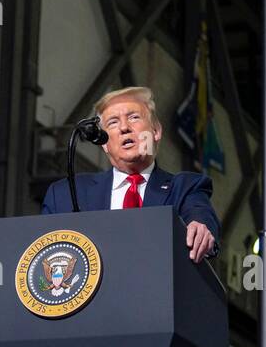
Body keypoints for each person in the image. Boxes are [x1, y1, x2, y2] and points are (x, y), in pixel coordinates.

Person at [41, 86, 220, 262]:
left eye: (134, 117)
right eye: (113, 122)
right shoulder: (66, 193)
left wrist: (200, 227)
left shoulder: (185, 187)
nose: (124, 128)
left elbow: (199, 214)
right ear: (104, 143)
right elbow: (42, 254)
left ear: (156, 131)